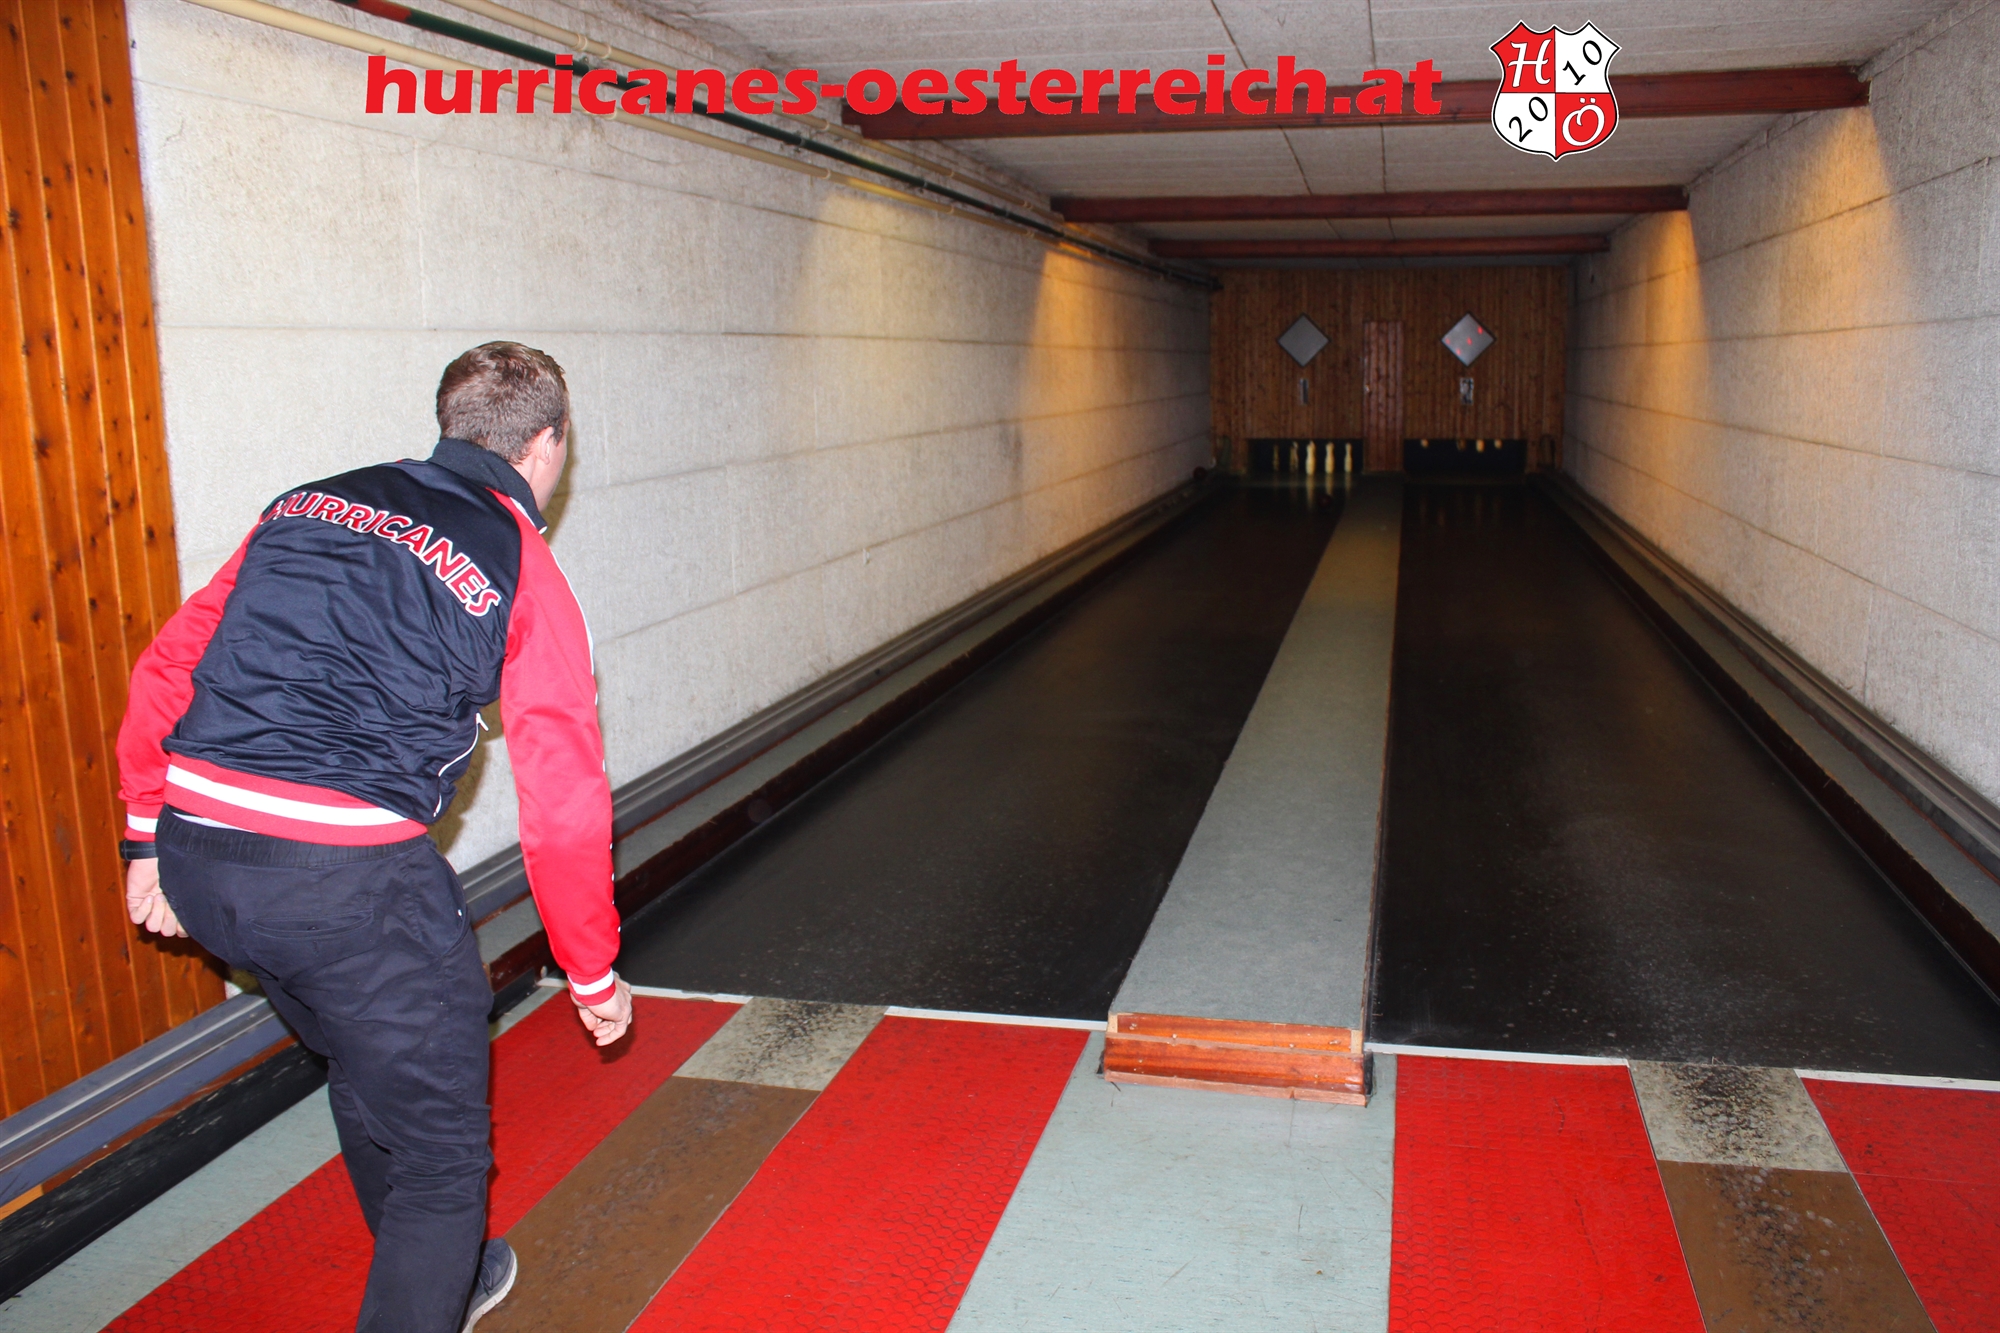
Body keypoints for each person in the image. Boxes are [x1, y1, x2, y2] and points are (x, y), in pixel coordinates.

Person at [117, 342, 633, 1332]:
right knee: (444, 1159)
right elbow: (562, 799)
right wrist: (591, 968)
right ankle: (436, 1272)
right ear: (545, 445)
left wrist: (146, 838)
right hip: (343, 883)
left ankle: (442, 1274)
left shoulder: (306, 503)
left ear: (450, 424)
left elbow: (168, 666)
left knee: (365, 1052)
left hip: (202, 854)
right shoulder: (522, 565)